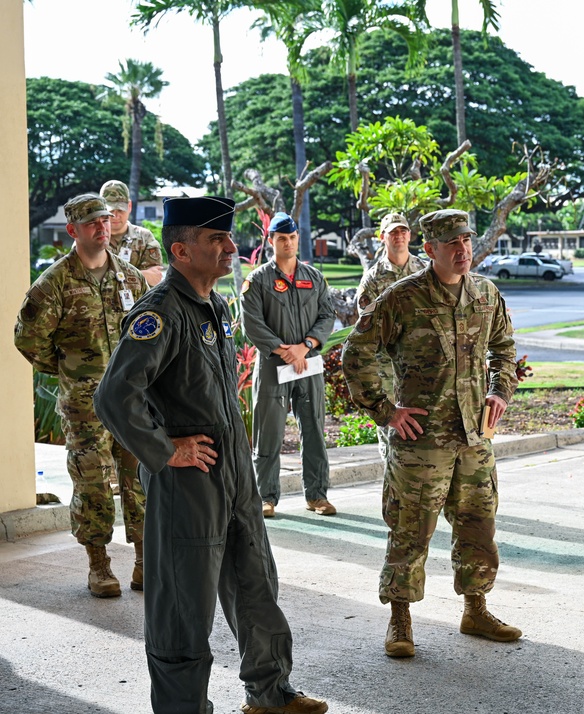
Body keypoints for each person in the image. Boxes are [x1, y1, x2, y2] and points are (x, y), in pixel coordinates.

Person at [93, 196, 327, 714]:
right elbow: (113, 396)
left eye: (228, 237)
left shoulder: (216, 306)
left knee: (256, 586)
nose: (230, 246)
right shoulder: (159, 312)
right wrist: (164, 449)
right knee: (182, 608)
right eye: (215, 239)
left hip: (235, 473)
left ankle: (270, 693)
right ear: (180, 250)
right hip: (190, 482)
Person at [342, 208, 521, 658]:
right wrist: (386, 411)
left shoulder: (485, 293)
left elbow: (503, 348)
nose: (463, 251)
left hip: (474, 439)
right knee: (410, 529)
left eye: (466, 241)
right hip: (422, 441)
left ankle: (475, 608)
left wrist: (500, 391)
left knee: (478, 524)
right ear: (430, 250)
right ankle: (400, 618)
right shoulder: (404, 297)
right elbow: (356, 352)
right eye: (452, 244)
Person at [15, 193, 147, 598]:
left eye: (105, 220)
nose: (102, 227)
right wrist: (70, 371)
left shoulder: (130, 277)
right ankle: (99, 565)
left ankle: (145, 559)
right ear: (73, 230)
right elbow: (29, 340)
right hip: (84, 405)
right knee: (91, 483)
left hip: (130, 401)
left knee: (140, 478)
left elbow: (147, 332)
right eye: (92, 223)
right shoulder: (53, 283)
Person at [241, 212, 337, 518]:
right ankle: (266, 497)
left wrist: (305, 346)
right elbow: (252, 324)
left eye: (293, 237)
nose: (288, 243)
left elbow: (326, 316)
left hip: (308, 364)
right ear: (271, 241)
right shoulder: (257, 281)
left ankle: (317, 496)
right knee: (269, 431)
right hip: (273, 366)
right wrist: (285, 351)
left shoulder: (314, 278)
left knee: (314, 429)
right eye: (282, 238)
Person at [356, 211, 425, 461]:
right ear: (382, 237)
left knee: (422, 432)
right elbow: (368, 328)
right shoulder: (372, 280)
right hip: (388, 371)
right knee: (391, 435)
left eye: (403, 231)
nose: (399, 236)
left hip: (422, 368)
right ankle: (392, 494)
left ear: (410, 235)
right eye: (393, 232)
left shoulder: (424, 271)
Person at [100, 179, 165, 286]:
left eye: (120, 210)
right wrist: (141, 275)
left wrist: (110, 277)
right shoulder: (90, 238)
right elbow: (86, 281)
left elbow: (154, 280)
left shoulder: (145, 238)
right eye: (111, 211)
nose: (116, 216)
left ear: (129, 206)